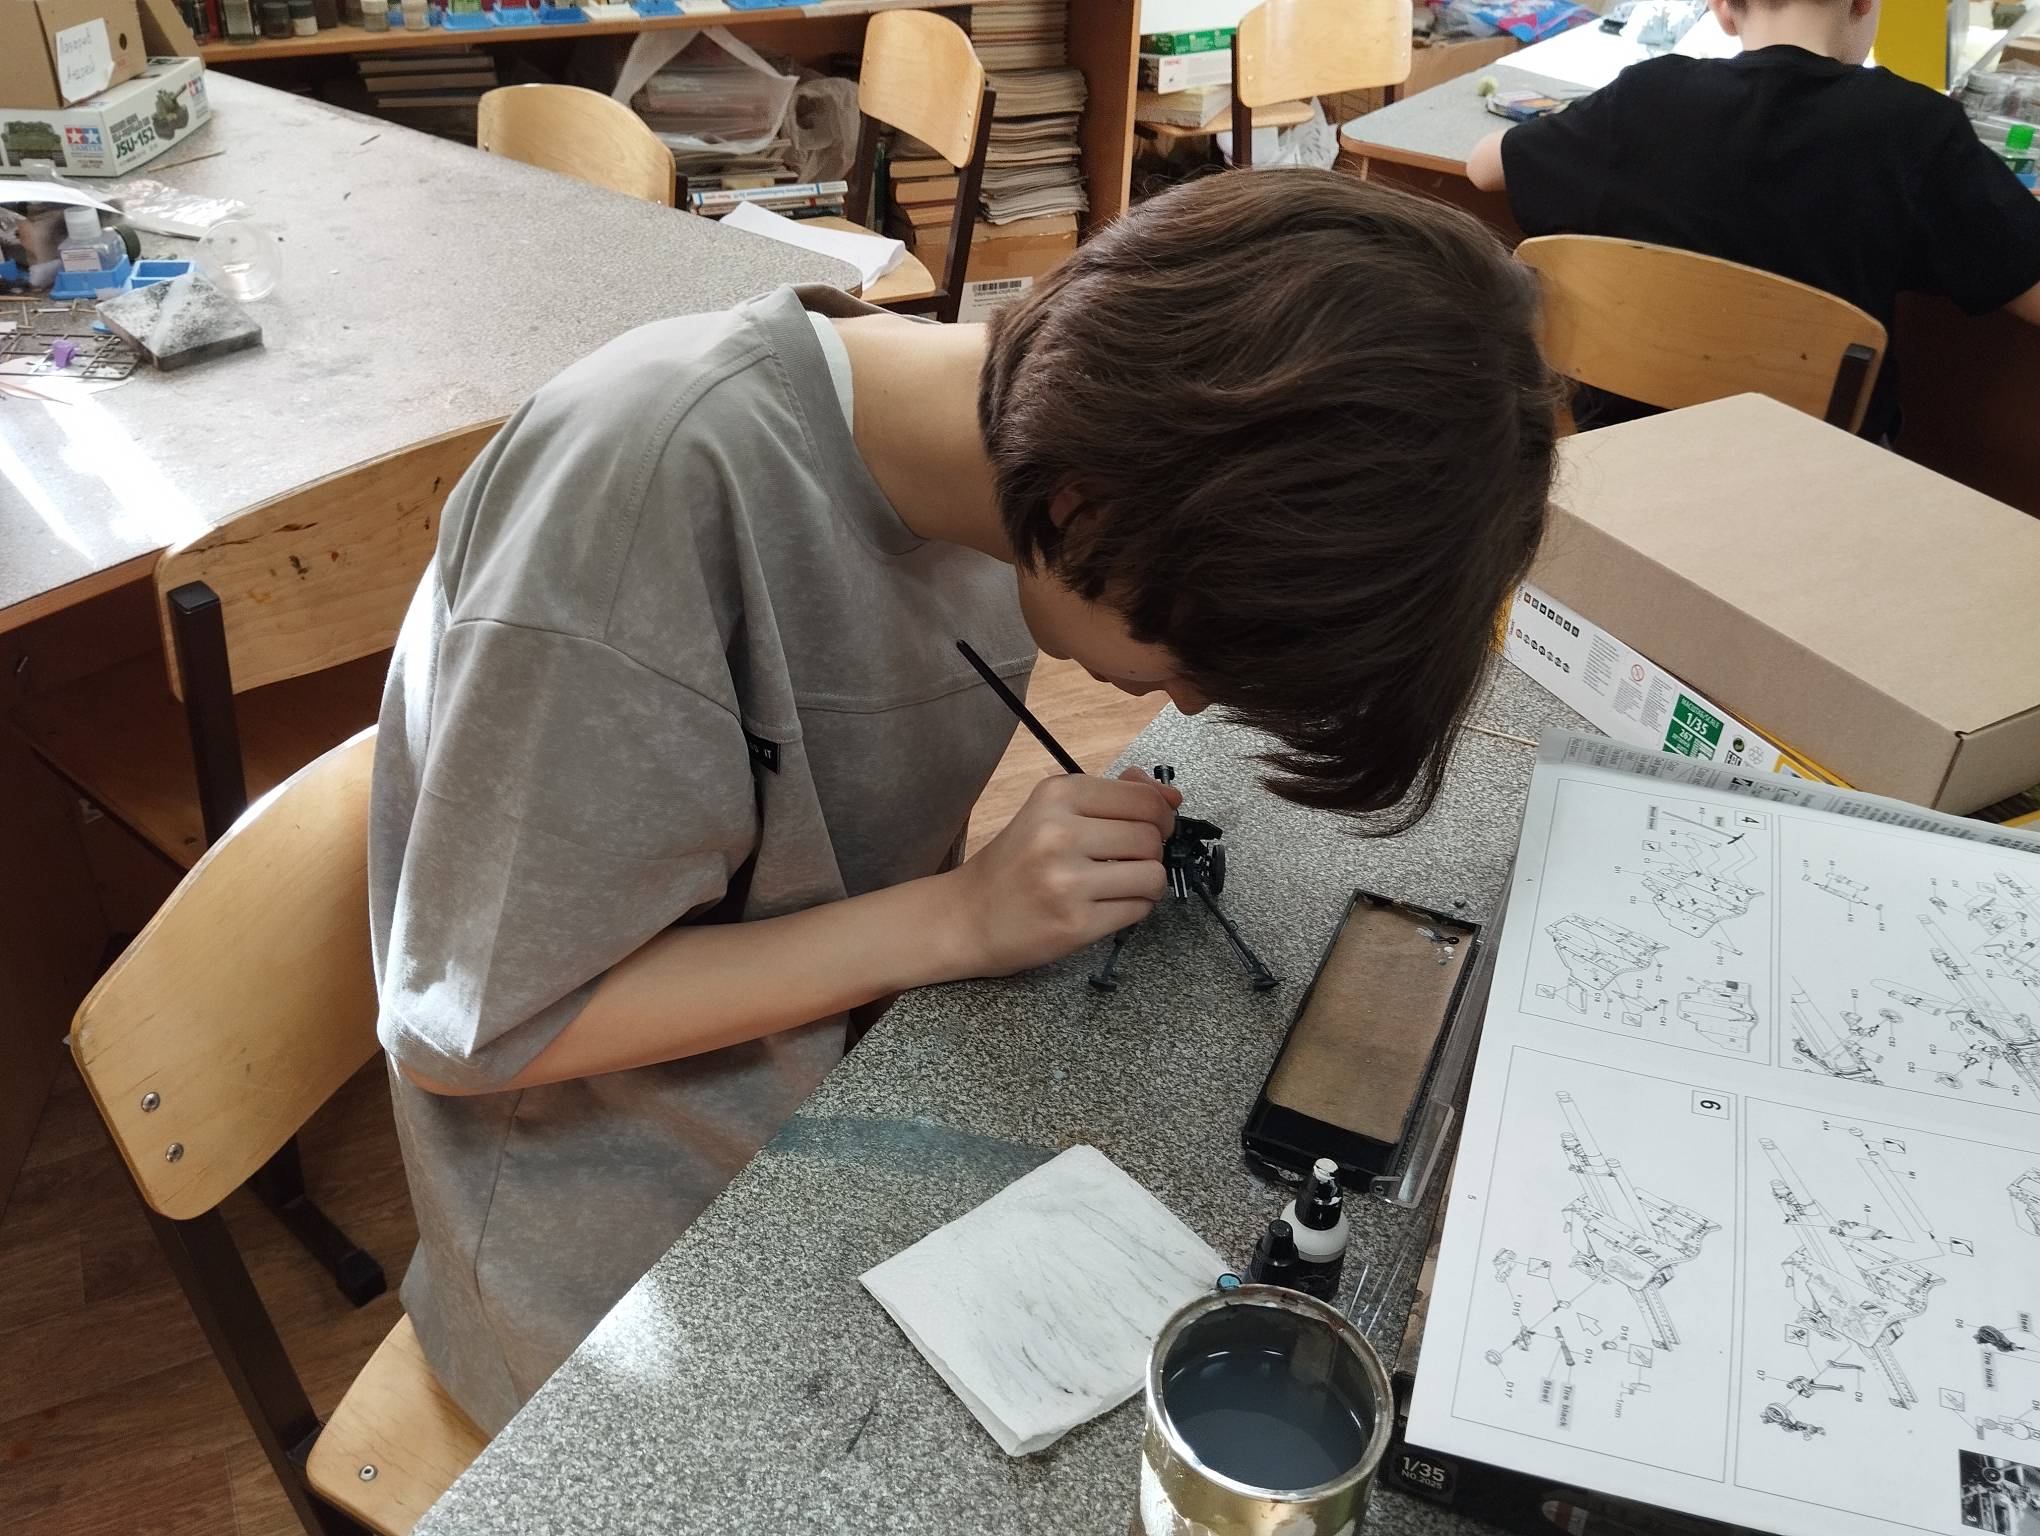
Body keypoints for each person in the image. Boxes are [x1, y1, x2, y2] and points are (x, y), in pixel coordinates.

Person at [370, 169, 1560, 1432]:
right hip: (615, 1242)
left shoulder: (1026, 474)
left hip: (837, 1078)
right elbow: (474, 1031)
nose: (1193, 705)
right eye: (1204, 665)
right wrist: (958, 918)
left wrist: (965, 916)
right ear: (1086, 507)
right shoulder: (648, 498)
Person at [1468, 0, 2040, 438]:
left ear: (1722, 9)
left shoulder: (1645, 94)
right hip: (1821, 473)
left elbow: (1483, 168)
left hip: (1624, 454)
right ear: (1864, 3)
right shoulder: (1917, 128)